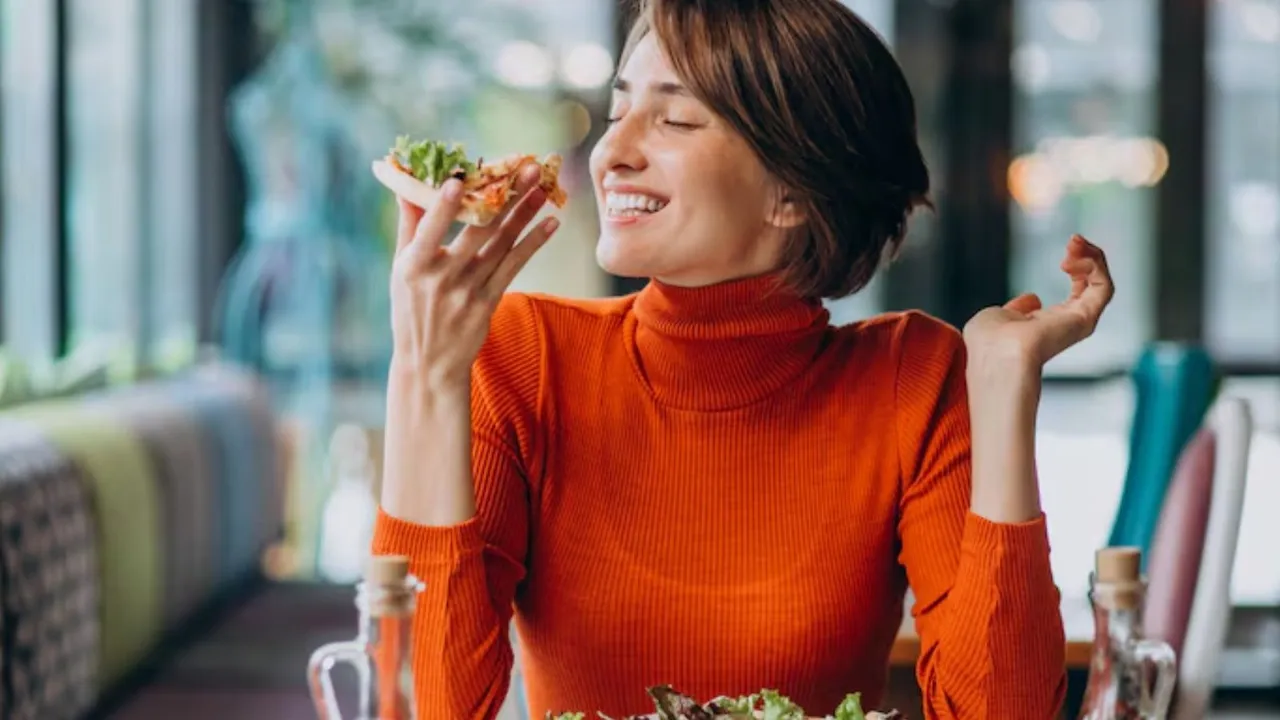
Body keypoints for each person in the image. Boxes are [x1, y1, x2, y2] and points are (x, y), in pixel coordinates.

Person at [373, 0, 1115, 717]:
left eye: (674, 119)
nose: (611, 152)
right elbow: (421, 708)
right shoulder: (523, 355)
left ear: (791, 192)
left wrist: (1004, 388)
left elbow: (1002, 712)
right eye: (618, 108)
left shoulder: (913, 378)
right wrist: (424, 379)